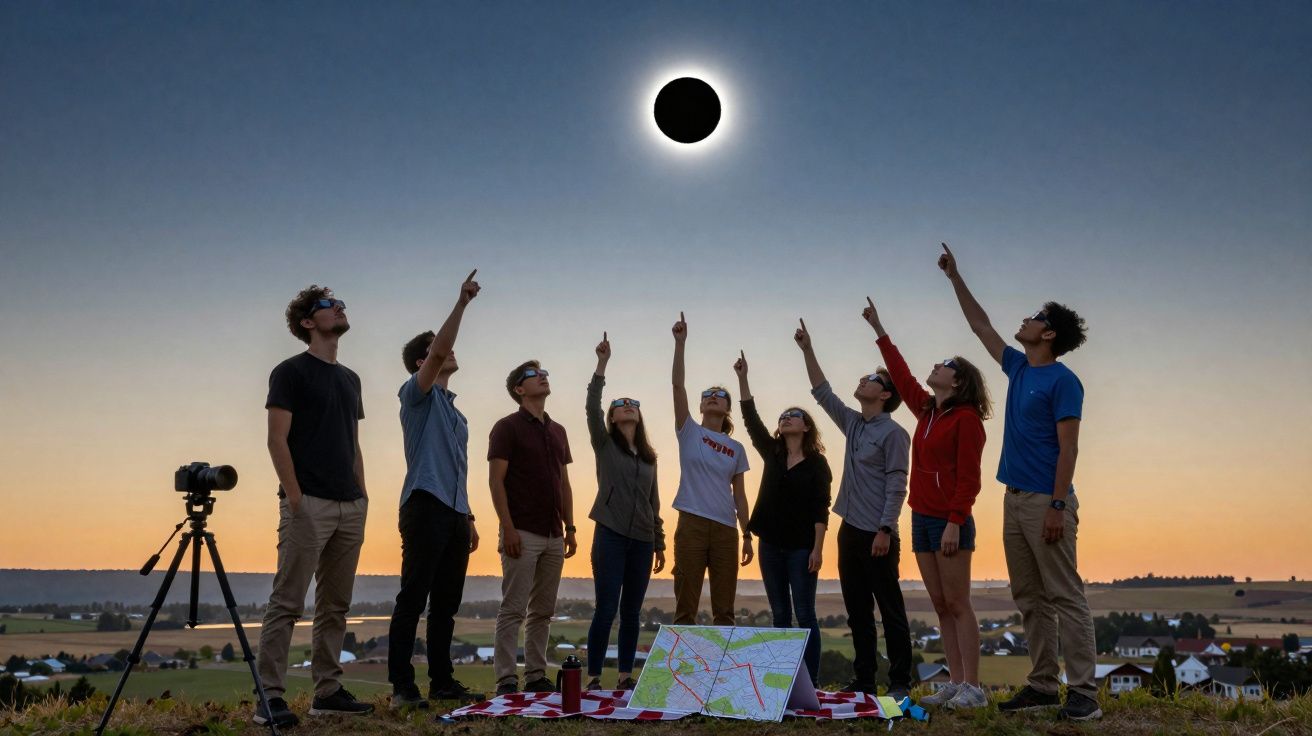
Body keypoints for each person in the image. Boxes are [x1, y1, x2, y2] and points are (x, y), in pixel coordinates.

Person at [938, 242, 1099, 721]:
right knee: (1029, 598)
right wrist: (955, 278)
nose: (1023, 320)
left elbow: (1068, 448)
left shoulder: (1063, 381)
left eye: (1033, 317)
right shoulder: (1018, 367)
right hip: (1014, 500)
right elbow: (980, 326)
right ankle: (1044, 685)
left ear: (1047, 333)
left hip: (1047, 503)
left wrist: (1055, 505)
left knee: (1065, 595)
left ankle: (1084, 694)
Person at [863, 296, 990, 709]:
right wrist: (880, 331)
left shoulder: (966, 420)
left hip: (950, 521)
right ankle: (954, 683)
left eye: (945, 365)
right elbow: (899, 375)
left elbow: (970, 478)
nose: (936, 366)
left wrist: (955, 520)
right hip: (920, 517)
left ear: (959, 382)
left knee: (958, 602)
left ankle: (974, 687)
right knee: (939, 604)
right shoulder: (925, 410)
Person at [255, 286, 373, 727]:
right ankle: (268, 697)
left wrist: (362, 493)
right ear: (308, 322)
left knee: (335, 606)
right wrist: (297, 498)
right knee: (287, 602)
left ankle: (327, 692)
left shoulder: (350, 378)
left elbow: (353, 443)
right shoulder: (290, 372)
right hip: (309, 505)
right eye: (329, 305)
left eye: (341, 302)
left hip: (349, 506)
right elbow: (276, 439)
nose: (340, 307)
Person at [794, 318, 913, 698]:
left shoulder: (894, 434)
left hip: (878, 533)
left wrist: (885, 529)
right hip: (849, 531)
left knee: (890, 610)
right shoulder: (854, 423)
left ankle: (899, 682)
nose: (863, 381)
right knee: (858, 612)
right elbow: (822, 392)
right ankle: (864, 680)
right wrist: (807, 349)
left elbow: (897, 484)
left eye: (870, 380)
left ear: (885, 395)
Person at [386, 270, 483, 709]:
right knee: (413, 598)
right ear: (424, 361)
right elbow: (441, 347)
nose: (450, 351)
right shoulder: (416, 395)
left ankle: (442, 682)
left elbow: (457, 470)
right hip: (424, 505)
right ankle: (402, 687)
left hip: (454, 513)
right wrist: (461, 304)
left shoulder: (457, 415)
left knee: (445, 605)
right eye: (438, 350)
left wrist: (468, 516)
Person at [735, 350, 831, 685]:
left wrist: (818, 549)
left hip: (802, 548)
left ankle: (812, 683)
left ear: (806, 426)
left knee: (805, 614)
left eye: (793, 415)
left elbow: (822, 508)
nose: (785, 419)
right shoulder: (773, 453)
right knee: (780, 616)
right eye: (783, 416)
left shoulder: (818, 463)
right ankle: (784, 683)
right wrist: (743, 378)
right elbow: (751, 419)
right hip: (771, 545)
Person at [489, 359, 578, 696]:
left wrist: (570, 527)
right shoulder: (506, 427)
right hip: (521, 531)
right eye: (533, 375)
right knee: (513, 608)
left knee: (543, 610)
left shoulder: (559, 431)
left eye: (544, 373)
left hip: (554, 534)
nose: (542, 377)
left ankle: (536, 675)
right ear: (519, 389)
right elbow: (495, 482)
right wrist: (507, 528)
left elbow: (564, 483)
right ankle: (506, 680)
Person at [584, 332, 666, 691]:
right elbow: (590, 407)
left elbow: (654, 502)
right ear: (613, 416)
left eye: (633, 402)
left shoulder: (649, 457)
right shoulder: (604, 445)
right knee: (606, 609)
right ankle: (593, 677)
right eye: (621, 403)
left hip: (643, 540)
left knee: (632, 612)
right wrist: (601, 365)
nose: (628, 404)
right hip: (611, 534)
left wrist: (659, 542)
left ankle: (625, 676)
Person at [670, 312, 753, 626]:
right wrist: (681, 343)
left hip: (725, 529)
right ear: (701, 405)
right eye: (708, 396)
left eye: (720, 396)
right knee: (685, 607)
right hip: (691, 521)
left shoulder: (736, 448)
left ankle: (725, 672)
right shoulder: (689, 431)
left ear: (727, 408)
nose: (713, 398)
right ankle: (682, 672)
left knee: (724, 610)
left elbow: (741, 497)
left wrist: (748, 533)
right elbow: (678, 386)